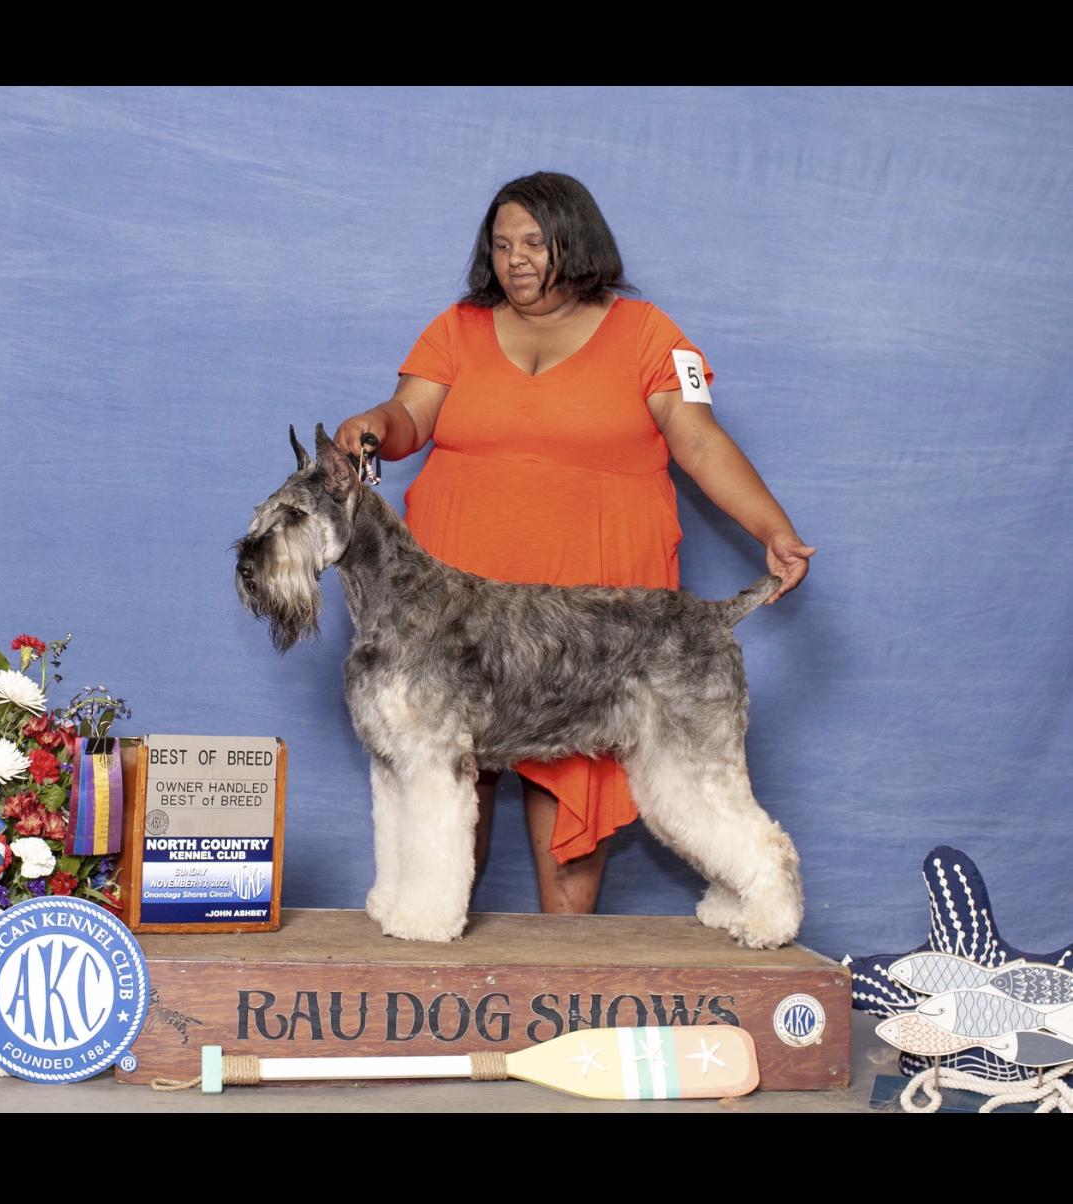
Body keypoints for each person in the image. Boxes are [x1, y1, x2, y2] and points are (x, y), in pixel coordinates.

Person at [333, 171, 814, 917]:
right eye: (501, 245)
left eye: (534, 242)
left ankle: (571, 970)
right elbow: (408, 417)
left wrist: (772, 528)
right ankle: (429, 927)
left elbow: (699, 441)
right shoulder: (456, 327)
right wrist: (373, 424)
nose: (515, 260)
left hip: (595, 602)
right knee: (441, 771)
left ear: (577, 240)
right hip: (455, 598)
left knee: (578, 799)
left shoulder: (648, 333)